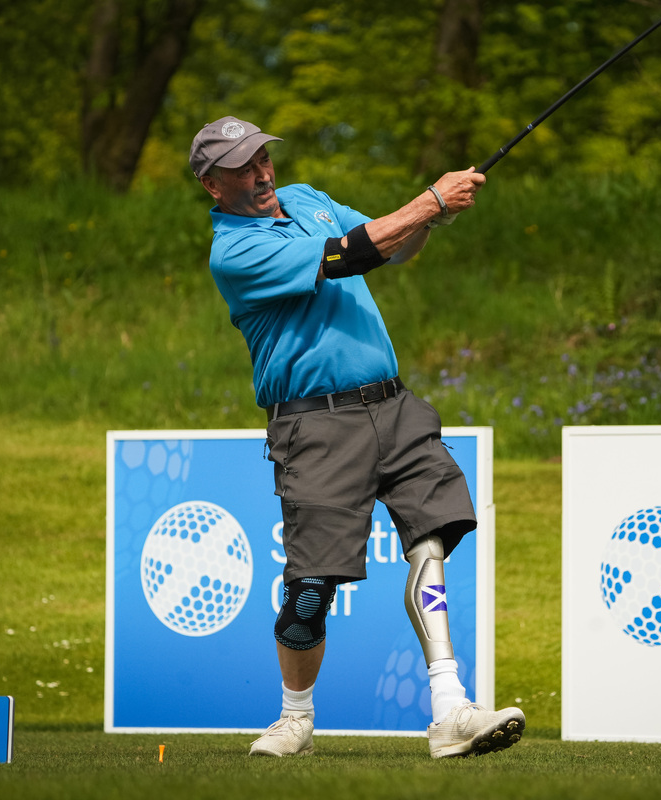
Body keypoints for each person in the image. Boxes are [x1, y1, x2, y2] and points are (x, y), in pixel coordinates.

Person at [188, 116, 525, 759]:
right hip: (313, 424)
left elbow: (394, 247)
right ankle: (295, 717)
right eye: (242, 168)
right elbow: (348, 255)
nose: (261, 174)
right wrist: (428, 199)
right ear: (213, 186)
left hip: (392, 406)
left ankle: (450, 706)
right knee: (310, 591)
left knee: (429, 534)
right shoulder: (234, 251)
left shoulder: (309, 199)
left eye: (263, 159)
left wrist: (433, 217)